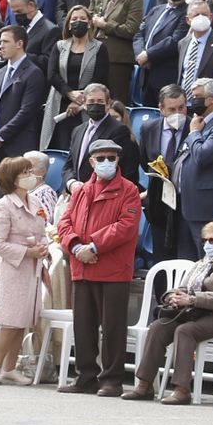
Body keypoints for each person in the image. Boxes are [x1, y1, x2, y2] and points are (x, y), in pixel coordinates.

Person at [123, 219, 213, 406]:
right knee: (157, 327)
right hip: (193, 314)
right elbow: (182, 287)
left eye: (212, 240)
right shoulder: (201, 263)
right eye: (204, 240)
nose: (207, 244)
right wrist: (172, 296)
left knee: (185, 331)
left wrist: (192, 299)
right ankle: (145, 384)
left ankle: (182, 389)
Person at [56, 139, 142, 395]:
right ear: (91, 161)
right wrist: (75, 247)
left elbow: (126, 227)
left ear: (118, 160)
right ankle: (86, 377)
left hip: (113, 268)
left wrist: (93, 247)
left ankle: (112, 380)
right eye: (101, 158)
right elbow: (64, 223)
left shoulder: (129, 190)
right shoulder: (81, 191)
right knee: (83, 325)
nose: (107, 162)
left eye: (111, 158)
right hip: (82, 266)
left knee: (113, 326)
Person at [0, 156, 49, 384]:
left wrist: (43, 247)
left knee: (22, 320)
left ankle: (10, 367)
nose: (31, 176)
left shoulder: (36, 202)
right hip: (13, 269)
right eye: (25, 172)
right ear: (13, 179)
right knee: (10, 321)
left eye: (31, 171)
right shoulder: (4, 205)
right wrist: (27, 252)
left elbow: (43, 231)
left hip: (32, 268)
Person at [173, 78, 213, 259]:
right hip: (188, 204)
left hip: (207, 206)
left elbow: (202, 156)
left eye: (197, 96)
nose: (193, 101)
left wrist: (194, 133)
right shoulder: (199, 122)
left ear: (212, 99)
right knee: (189, 260)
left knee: (208, 259)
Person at [43, 4, 109, 147]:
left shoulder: (99, 48)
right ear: (68, 25)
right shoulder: (59, 46)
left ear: (89, 23)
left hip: (86, 105)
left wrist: (80, 99)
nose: (78, 22)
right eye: (74, 19)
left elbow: (100, 77)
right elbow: (52, 74)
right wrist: (69, 93)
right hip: (60, 102)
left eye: (82, 19)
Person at [0, 25, 46, 158]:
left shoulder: (33, 73)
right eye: (0, 42)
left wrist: (1, 135)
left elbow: (26, 111)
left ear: (19, 44)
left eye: (5, 41)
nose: (1, 46)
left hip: (18, 146)